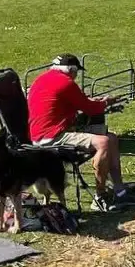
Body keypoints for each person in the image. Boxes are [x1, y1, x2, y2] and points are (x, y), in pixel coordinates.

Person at [26, 54, 125, 207]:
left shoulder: (43, 79)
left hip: (44, 132)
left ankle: (120, 191)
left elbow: (71, 102)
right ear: (71, 70)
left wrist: (93, 102)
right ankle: (100, 197)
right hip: (51, 137)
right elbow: (90, 109)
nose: (76, 76)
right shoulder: (66, 83)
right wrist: (105, 102)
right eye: (76, 72)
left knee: (111, 138)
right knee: (103, 142)